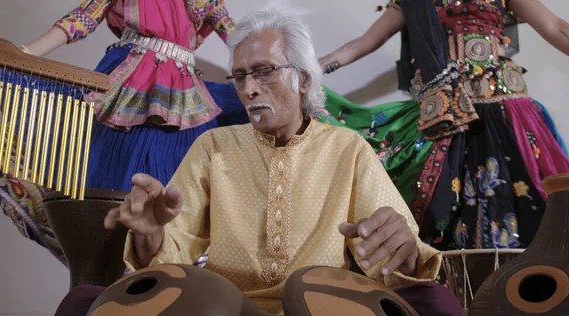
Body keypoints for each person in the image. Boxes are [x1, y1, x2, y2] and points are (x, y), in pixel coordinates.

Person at [55, 9, 461, 316]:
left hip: (316, 306)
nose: (249, 89)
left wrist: (402, 249)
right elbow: (169, 257)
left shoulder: (347, 148)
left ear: (302, 79)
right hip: (226, 308)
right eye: (240, 76)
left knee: (436, 301)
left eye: (265, 72)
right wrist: (149, 236)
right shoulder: (213, 145)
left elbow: (398, 255)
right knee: (83, 302)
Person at [0, 0, 248, 264]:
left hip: (183, 103)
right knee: (108, 207)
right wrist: (20, 56)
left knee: (169, 206)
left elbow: (241, 42)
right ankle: (102, 281)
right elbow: (81, 19)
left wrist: (275, 71)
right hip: (126, 88)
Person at [318, 0, 569, 250]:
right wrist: (308, 68)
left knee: (539, 207)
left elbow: (553, 26)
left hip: (507, 111)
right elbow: (365, 43)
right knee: (437, 208)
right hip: (445, 119)